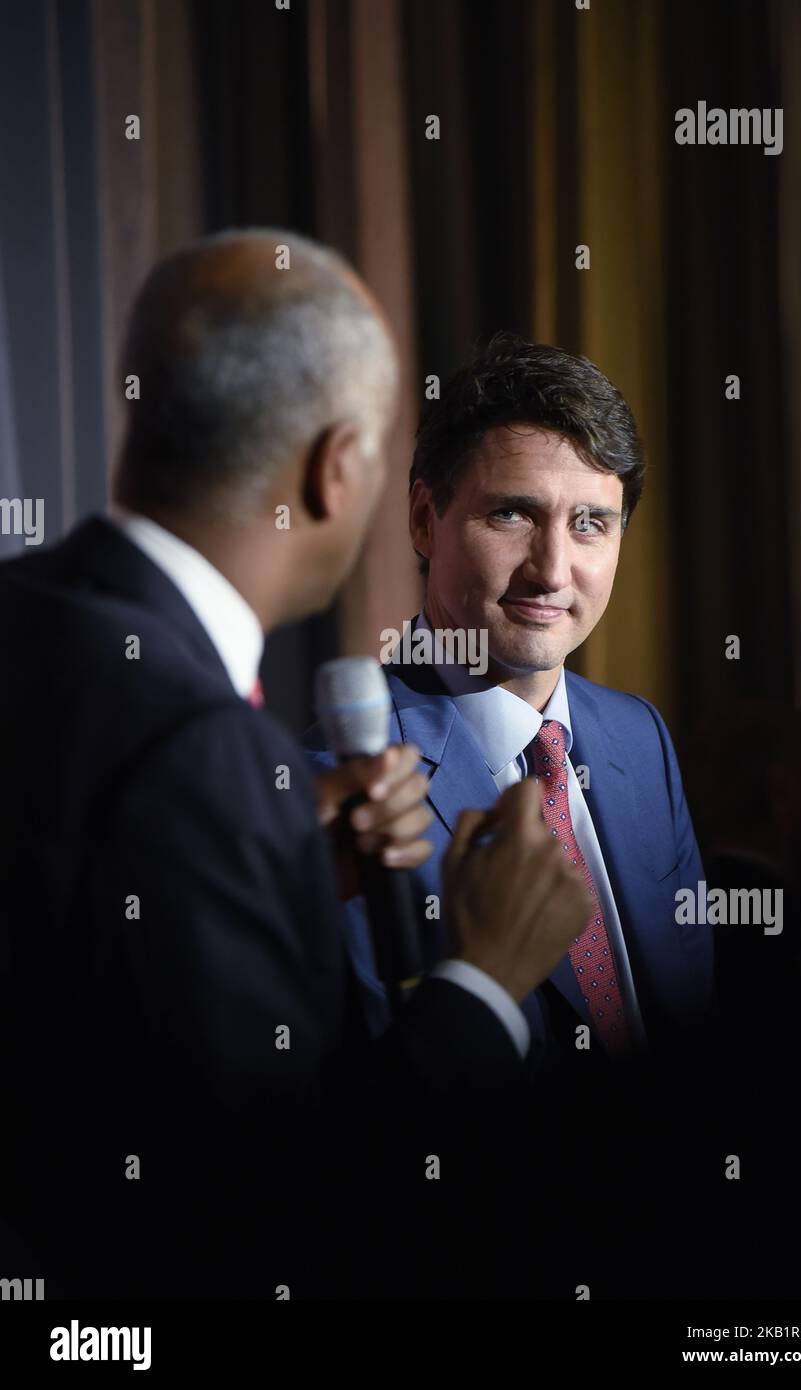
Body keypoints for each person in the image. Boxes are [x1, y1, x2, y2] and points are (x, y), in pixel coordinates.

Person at [0, 230, 591, 1298]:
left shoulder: (32, 620)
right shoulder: (199, 744)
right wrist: (483, 983)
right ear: (340, 469)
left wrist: (259, 868)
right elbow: (285, 1223)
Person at [308, 334, 715, 1068]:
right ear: (424, 519)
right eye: (513, 516)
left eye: (590, 523)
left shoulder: (637, 738)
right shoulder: (341, 784)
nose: (552, 570)